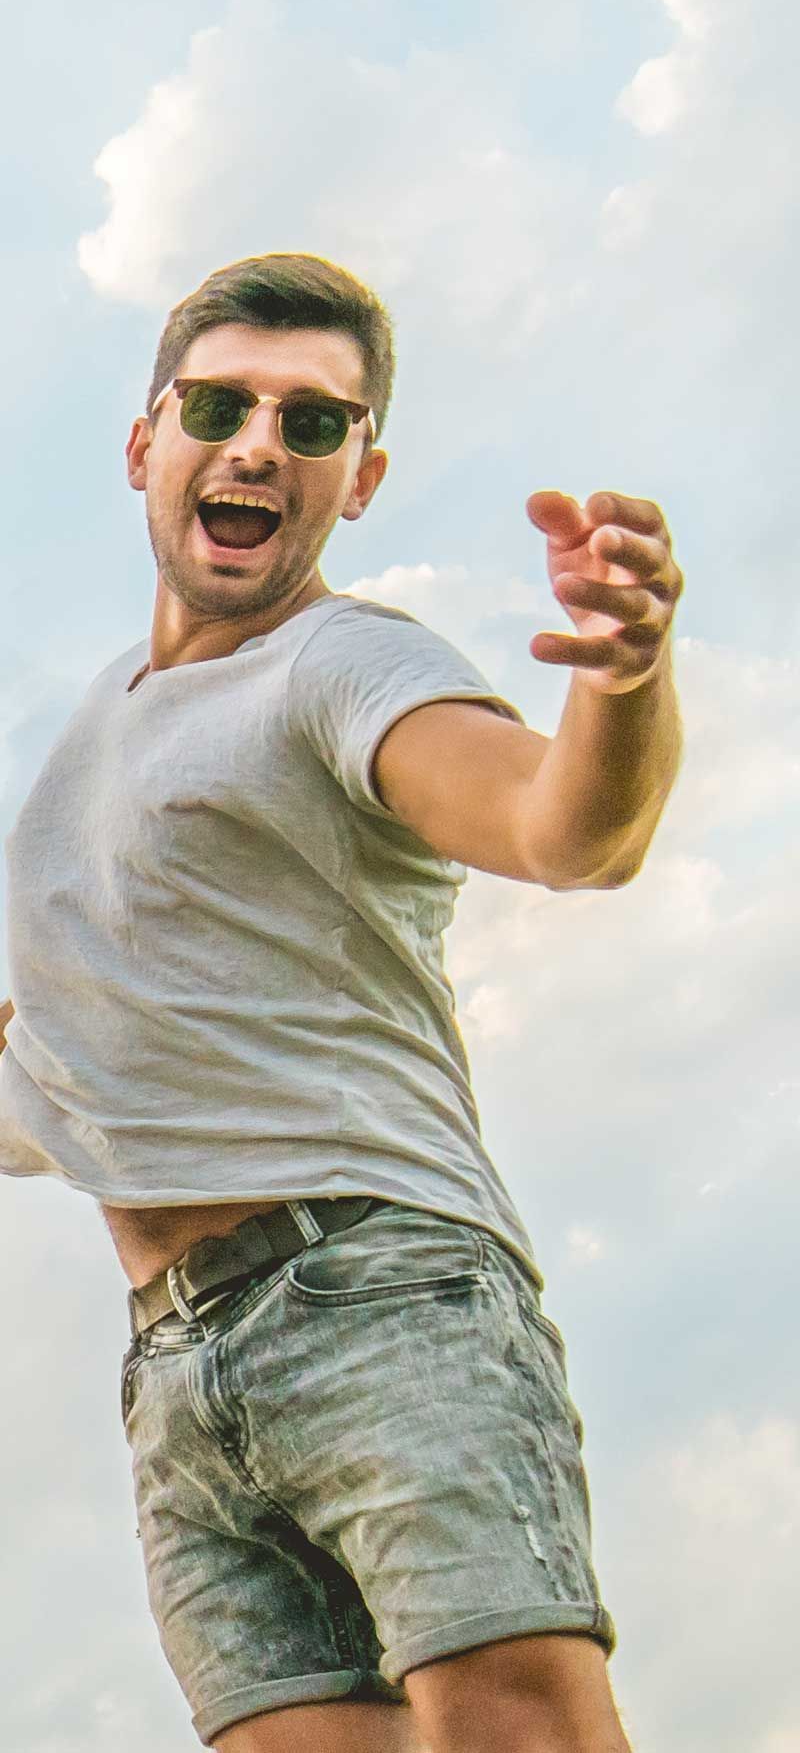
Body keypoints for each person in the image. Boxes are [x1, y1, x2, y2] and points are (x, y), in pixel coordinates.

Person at [0, 252, 683, 1753]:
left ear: (358, 476)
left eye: (314, 424)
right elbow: (52, 1078)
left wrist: (625, 684)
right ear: (143, 444)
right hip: (175, 1378)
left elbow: (568, 831)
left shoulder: (342, 663)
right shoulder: (74, 757)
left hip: (375, 1294)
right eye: (223, 404)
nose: (260, 443)